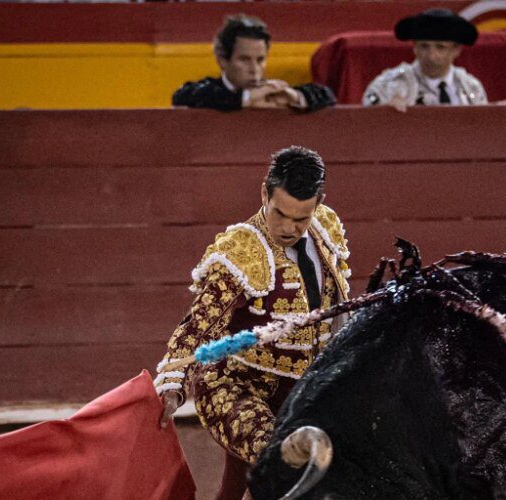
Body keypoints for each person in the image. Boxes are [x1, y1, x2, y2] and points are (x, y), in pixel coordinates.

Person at [154, 146, 351, 500]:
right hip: (237, 388)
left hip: (304, 391)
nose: (289, 228)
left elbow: (336, 309)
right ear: (264, 192)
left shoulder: (327, 230)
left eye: (301, 218)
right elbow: (199, 326)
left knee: (241, 484)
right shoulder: (241, 251)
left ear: (318, 204)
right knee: (283, 461)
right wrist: (173, 384)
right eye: (280, 214)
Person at [173, 15, 336, 112]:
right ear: (222, 60)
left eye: (260, 60)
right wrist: (248, 98)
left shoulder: (272, 92)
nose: (254, 69)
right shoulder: (207, 91)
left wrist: (295, 97)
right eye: (244, 59)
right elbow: (182, 96)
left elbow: (326, 95)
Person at [362, 8, 487, 110]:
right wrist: (385, 112)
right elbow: (368, 128)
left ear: (456, 50)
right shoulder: (388, 85)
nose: (431, 56)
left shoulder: (471, 87)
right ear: (415, 47)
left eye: (440, 47)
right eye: (424, 46)